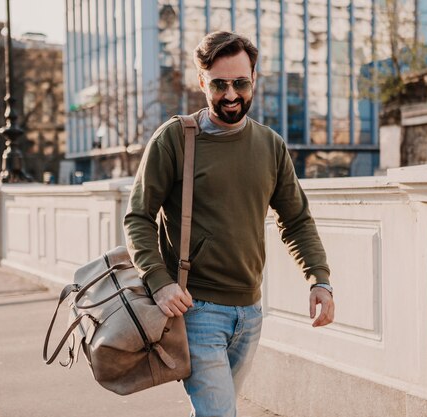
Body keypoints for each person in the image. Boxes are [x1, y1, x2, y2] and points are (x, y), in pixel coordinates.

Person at [124, 31, 334, 417]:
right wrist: (159, 281)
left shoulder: (271, 145)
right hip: (196, 310)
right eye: (219, 84)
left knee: (215, 411)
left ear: (254, 79)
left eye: (240, 82)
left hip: (251, 310)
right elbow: (138, 216)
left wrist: (319, 279)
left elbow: (297, 219)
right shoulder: (175, 138)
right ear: (202, 81)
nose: (232, 94)